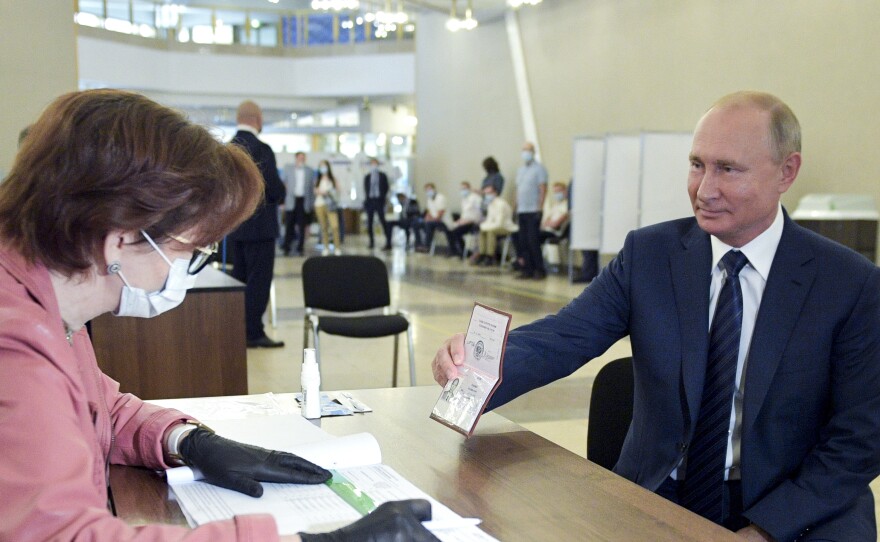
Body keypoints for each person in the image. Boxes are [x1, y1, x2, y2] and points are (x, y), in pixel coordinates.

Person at [432, 91, 880, 541]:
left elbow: (861, 437)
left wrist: (765, 530)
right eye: (697, 164)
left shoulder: (850, 284)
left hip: (794, 505)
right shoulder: (649, 255)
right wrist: (475, 364)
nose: (705, 190)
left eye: (728, 169)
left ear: (787, 172)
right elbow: (563, 337)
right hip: (661, 493)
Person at [0, 89, 438, 542]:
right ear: (119, 240)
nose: (187, 268)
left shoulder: (49, 307)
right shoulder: (13, 345)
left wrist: (185, 441)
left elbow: (98, 407)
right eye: (188, 250)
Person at [227, 100, 286, 349]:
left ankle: (235, 328)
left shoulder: (227, 149)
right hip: (261, 228)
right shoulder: (262, 150)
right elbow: (274, 188)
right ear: (258, 120)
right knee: (259, 280)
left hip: (234, 228)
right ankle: (253, 331)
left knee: (238, 279)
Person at [514, 142, 548, 280]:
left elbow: (543, 188)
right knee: (523, 241)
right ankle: (527, 269)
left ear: (533, 152)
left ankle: (539, 269)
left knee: (533, 241)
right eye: (523, 150)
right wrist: (514, 206)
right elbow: (518, 190)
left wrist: (540, 207)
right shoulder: (521, 170)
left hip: (533, 210)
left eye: (527, 150)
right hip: (522, 209)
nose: (525, 153)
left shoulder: (539, 169)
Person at [472, 184, 516, 266]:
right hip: (494, 226)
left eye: (489, 193)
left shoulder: (501, 204)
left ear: (495, 193)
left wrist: (485, 226)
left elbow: (499, 223)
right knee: (482, 231)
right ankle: (482, 254)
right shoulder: (490, 205)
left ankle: (490, 256)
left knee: (490, 232)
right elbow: (489, 220)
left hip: (505, 227)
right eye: (486, 194)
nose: (487, 195)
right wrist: (482, 226)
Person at [281, 151, 316, 256]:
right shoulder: (288, 169)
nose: (301, 159)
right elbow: (283, 184)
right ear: (296, 158)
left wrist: (311, 204)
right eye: (299, 157)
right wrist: (282, 201)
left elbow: (311, 189)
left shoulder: (309, 171)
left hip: (303, 201)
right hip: (291, 200)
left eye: (303, 158)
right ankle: (287, 247)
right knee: (289, 225)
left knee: (302, 226)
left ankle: (300, 248)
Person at [445, 181, 484, 258]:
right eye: (461, 189)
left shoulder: (476, 198)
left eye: (465, 188)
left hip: (474, 222)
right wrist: (460, 221)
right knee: (449, 230)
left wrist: (468, 221)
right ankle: (454, 251)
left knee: (456, 232)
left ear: (469, 189)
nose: (463, 191)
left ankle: (463, 252)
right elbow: (464, 213)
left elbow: (480, 213)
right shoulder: (464, 199)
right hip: (464, 221)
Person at [313, 160, 342, 256]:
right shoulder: (317, 180)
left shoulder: (333, 179)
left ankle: (337, 247)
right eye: (321, 167)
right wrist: (320, 192)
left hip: (330, 205)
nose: (323, 169)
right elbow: (315, 191)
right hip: (319, 205)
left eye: (324, 166)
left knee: (334, 226)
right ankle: (326, 247)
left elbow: (337, 191)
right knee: (323, 227)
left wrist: (329, 192)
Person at [363, 157, 391, 250]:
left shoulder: (383, 176)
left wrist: (382, 197)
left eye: (375, 163)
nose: (373, 165)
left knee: (383, 221)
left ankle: (388, 242)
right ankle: (371, 242)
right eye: (372, 164)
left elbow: (386, 187)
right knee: (369, 222)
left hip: (379, 201)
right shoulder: (367, 177)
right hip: (370, 201)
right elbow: (366, 188)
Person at [414, 182, 450, 252]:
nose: (428, 192)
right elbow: (429, 212)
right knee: (416, 223)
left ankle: (427, 246)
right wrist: (426, 218)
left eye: (430, 189)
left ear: (434, 189)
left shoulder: (440, 198)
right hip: (433, 221)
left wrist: (429, 220)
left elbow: (439, 215)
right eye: (427, 190)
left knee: (428, 224)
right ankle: (419, 244)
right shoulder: (429, 199)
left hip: (442, 222)